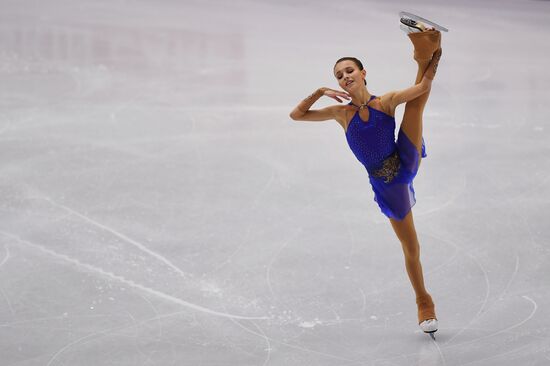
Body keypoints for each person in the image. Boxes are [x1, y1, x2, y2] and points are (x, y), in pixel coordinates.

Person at [289, 21, 443, 337]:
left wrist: (432, 64)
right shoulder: (340, 114)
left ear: (363, 73)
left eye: (349, 71)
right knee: (410, 246)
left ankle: (424, 48)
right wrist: (319, 92)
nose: (345, 77)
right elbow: (297, 115)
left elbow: (422, 90)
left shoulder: (384, 101)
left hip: (405, 158)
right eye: (338, 75)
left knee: (415, 106)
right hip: (388, 184)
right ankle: (423, 296)